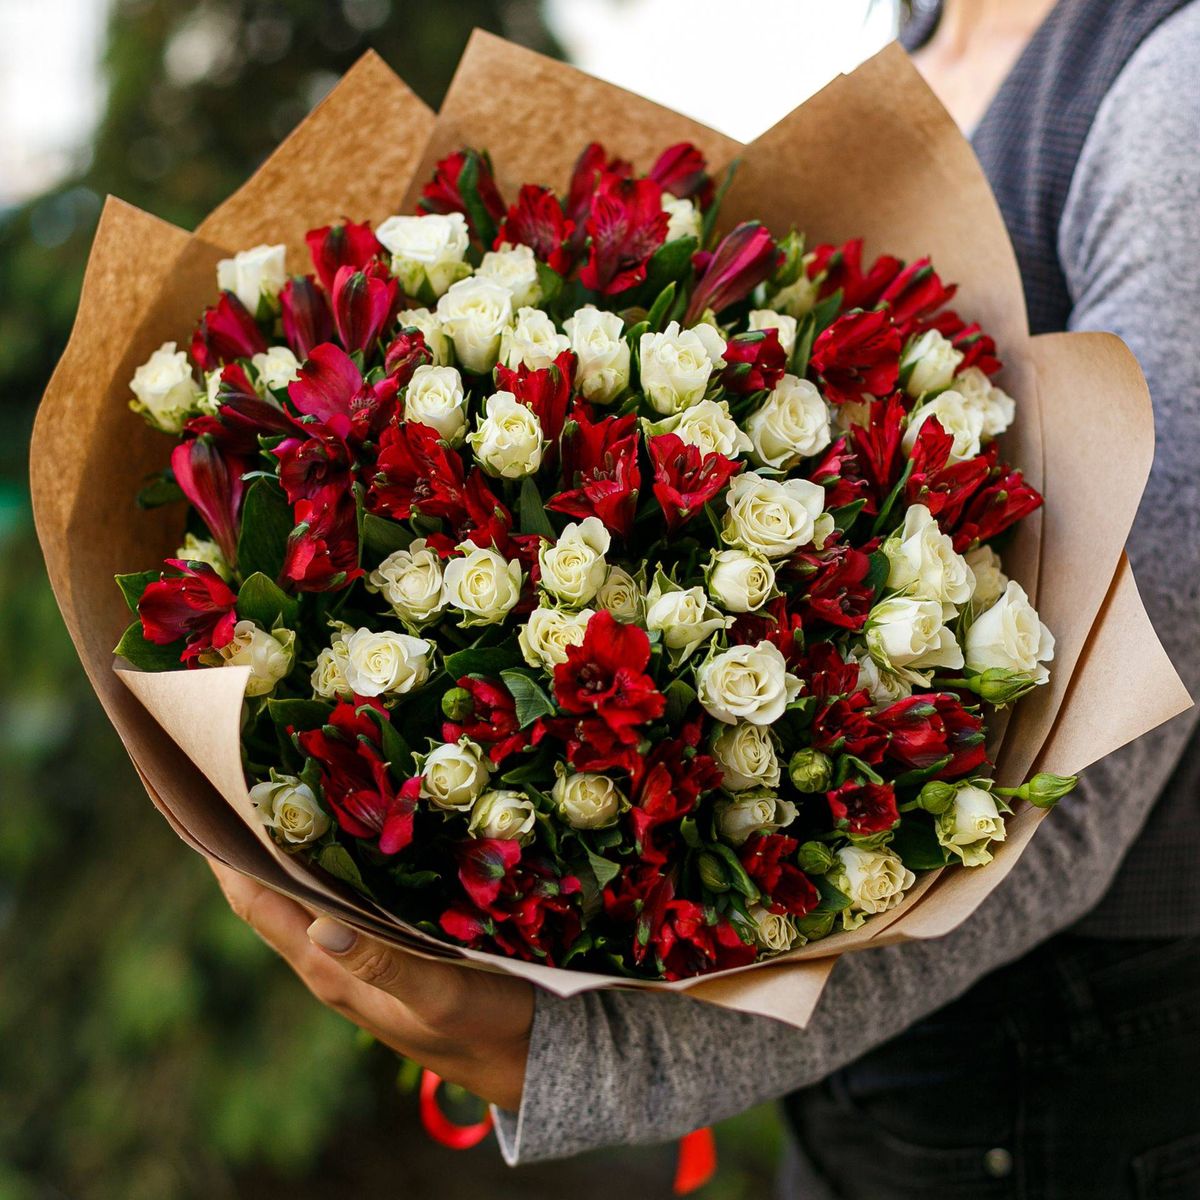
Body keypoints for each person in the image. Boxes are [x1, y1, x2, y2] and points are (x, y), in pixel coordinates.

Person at [210, 0, 1200, 1194]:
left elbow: (1102, 771)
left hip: (1078, 1068)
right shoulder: (915, 49)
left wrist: (605, 1051)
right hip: (881, 1065)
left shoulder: (1169, 91)